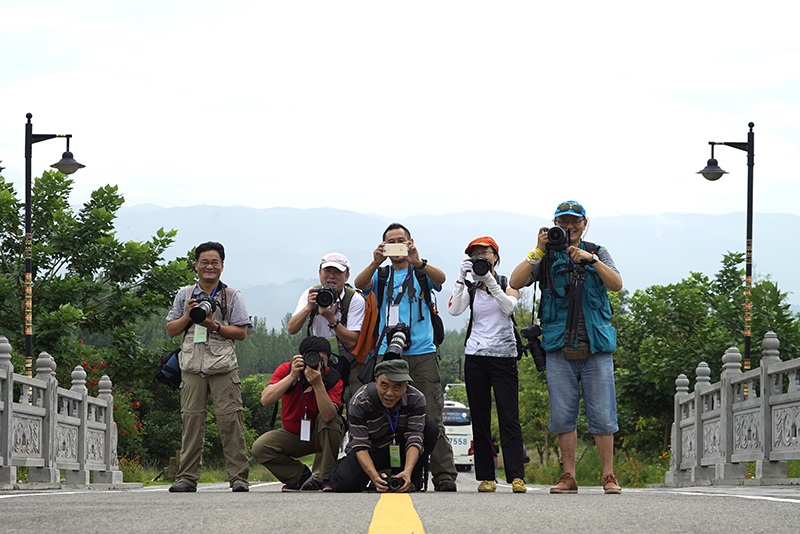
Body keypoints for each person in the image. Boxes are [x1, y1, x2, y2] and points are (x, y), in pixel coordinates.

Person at [509, 200, 624, 495]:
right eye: (563, 221)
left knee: (603, 413)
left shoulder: (598, 251)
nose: (569, 226)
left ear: (585, 224)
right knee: (563, 413)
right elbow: (516, 280)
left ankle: (608, 476)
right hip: (558, 344)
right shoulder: (546, 257)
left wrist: (591, 261)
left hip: (596, 345)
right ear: (555, 224)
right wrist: (538, 250)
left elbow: (616, 284)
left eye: (575, 221)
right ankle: (568, 475)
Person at [354, 222, 458, 492]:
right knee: (384, 417)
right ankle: (388, 473)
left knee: (432, 417)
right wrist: (375, 262)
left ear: (411, 243)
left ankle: (444, 475)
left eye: (401, 240)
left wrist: (418, 261)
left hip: (422, 352)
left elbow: (441, 279)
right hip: (387, 352)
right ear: (384, 247)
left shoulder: (420, 271)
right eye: (391, 242)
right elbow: (359, 284)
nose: (397, 245)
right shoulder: (383, 274)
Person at [166, 241, 251, 493]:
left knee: (230, 422)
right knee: (191, 422)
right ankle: (187, 478)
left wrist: (213, 325)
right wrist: (188, 315)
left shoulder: (232, 296)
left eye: (215, 262)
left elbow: (241, 333)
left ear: (222, 266)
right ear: (196, 265)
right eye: (204, 262)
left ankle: (238, 478)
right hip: (192, 365)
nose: (209, 266)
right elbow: (171, 329)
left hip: (223, 366)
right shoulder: (184, 294)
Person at [447, 236, 527, 494]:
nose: (480, 257)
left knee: (508, 416)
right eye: (475, 254)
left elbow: (509, 307)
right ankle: (486, 477)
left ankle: (516, 476)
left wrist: (489, 281)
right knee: (480, 419)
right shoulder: (470, 288)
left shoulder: (507, 283)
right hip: (476, 357)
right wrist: (461, 279)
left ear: (496, 257)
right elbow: (455, 311)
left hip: (504, 357)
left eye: (486, 253)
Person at [329, 359, 438, 492]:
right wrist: (374, 477)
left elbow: (414, 438)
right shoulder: (360, 402)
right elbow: (360, 445)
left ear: (406, 385)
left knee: (430, 429)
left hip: (401, 447)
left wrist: (408, 471)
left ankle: (409, 479)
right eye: (384, 386)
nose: (390, 393)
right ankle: (378, 477)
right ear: (376, 381)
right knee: (343, 482)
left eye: (397, 387)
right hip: (372, 449)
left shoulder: (416, 398)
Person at [251, 336, 344, 491]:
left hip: (321, 434)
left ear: (328, 360)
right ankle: (299, 476)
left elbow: (328, 416)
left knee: (332, 421)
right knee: (260, 447)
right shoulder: (287, 370)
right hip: (293, 435)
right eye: (312, 357)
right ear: (301, 357)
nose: (317, 363)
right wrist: (293, 376)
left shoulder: (333, 379)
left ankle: (325, 477)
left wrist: (318, 384)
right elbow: (266, 400)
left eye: (322, 359)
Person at [286, 252, 366, 397]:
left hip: (348, 361)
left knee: (353, 399)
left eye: (337, 272)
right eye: (327, 271)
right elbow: (291, 328)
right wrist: (309, 307)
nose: (331, 276)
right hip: (318, 360)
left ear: (347, 276)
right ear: (319, 272)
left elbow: (352, 342)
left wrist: (331, 319)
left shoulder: (354, 300)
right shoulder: (310, 294)